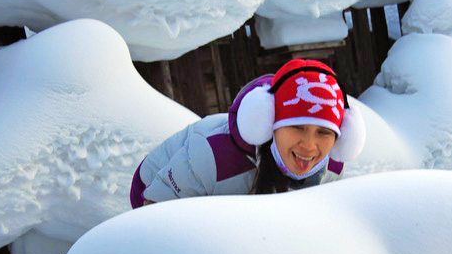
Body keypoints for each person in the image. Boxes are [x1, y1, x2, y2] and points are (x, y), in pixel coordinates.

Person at [130, 58, 366, 207]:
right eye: (297, 127)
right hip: (152, 189)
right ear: (268, 122)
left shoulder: (333, 166)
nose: (310, 145)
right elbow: (152, 206)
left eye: (324, 132)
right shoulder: (213, 155)